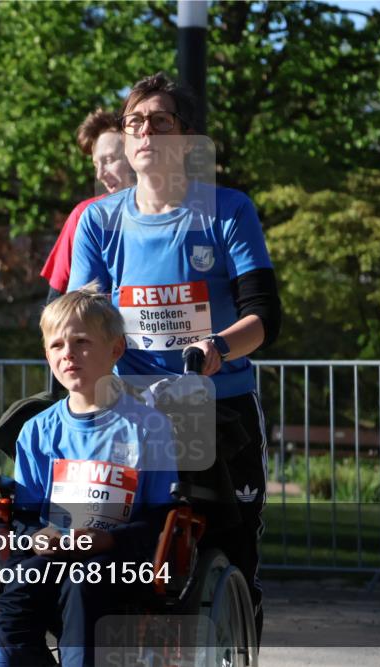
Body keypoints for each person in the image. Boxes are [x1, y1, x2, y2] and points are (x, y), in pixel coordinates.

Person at [67, 72, 282, 640]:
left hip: (217, 407)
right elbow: (80, 314)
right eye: (134, 122)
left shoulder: (228, 211)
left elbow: (265, 316)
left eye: (160, 122)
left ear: (186, 140)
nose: (144, 133)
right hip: (129, 412)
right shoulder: (99, 220)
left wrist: (215, 347)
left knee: (228, 552)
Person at [0, 285, 178, 667]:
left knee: (85, 582)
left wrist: (106, 541)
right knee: (18, 590)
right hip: (53, 553)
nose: (68, 354)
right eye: (56, 346)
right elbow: (24, 514)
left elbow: (159, 519)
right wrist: (38, 538)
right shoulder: (37, 431)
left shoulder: (149, 427)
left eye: (82, 342)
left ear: (116, 350)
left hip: (117, 557)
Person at [40, 109, 137, 302]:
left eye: (109, 160)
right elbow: (55, 304)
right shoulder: (84, 215)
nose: (100, 174)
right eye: (96, 165)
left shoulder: (183, 210)